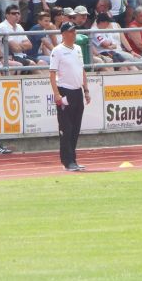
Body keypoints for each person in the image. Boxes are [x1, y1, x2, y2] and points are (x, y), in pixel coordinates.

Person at [49, 21, 91, 172]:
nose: (74, 34)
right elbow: (52, 74)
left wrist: (86, 90)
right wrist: (57, 94)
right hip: (65, 91)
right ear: (64, 34)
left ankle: (73, 159)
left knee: (76, 128)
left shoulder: (78, 48)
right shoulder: (57, 51)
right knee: (66, 128)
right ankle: (67, 161)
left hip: (77, 91)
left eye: (75, 31)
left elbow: (82, 70)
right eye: (71, 31)